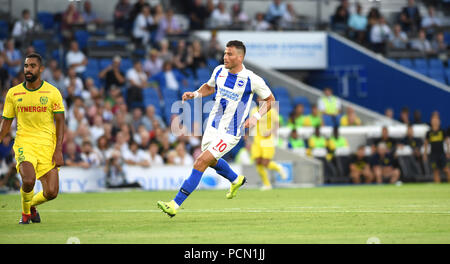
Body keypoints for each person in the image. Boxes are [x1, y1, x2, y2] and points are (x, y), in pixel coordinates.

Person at [157, 40, 275, 217]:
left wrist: (255, 118)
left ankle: (174, 204)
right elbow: (209, 87)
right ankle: (236, 179)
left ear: (240, 57)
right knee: (210, 160)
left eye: (229, 54)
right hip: (212, 126)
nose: (225, 57)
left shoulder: (252, 79)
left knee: (201, 161)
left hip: (231, 132)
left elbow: (270, 100)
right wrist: (195, 94)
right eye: (225, 53)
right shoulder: (219, 70)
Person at [0, 53, 65, 224]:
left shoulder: (52, 92)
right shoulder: (13, 93)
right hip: (24, 143)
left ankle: (31, 206)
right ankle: (25, 214)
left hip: (47, 146)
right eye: (26, 65)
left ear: (41, 69)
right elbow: (6, 122)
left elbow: (60, 122)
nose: (28, 69)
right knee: (28, 180)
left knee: (51, 193)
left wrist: (58, 150)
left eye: (32, 66)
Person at [250, 98, 286, 190]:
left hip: (268, 139)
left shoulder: (272, 111)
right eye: (259, 98)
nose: (260, 99)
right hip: (257, 139)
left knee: (265, 163)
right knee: (258, 162)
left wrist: (270, 131)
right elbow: (252, 124)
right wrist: (247, 137)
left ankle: (278, 167)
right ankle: (267, 184)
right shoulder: (254, 110)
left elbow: (278, 124)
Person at [423, 116, 450, 183]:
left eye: (436, 120)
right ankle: (438, 186)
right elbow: (426, 144)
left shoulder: (442, 131)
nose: (435, 122)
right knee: (436, 170)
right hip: (433, 155)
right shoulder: (429, 133)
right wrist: (425, 154)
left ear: (439, 122)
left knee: (446, 169)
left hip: (442, 154)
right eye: (433, 120)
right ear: (431, 122)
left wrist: (448, 152)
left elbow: (447, 142)